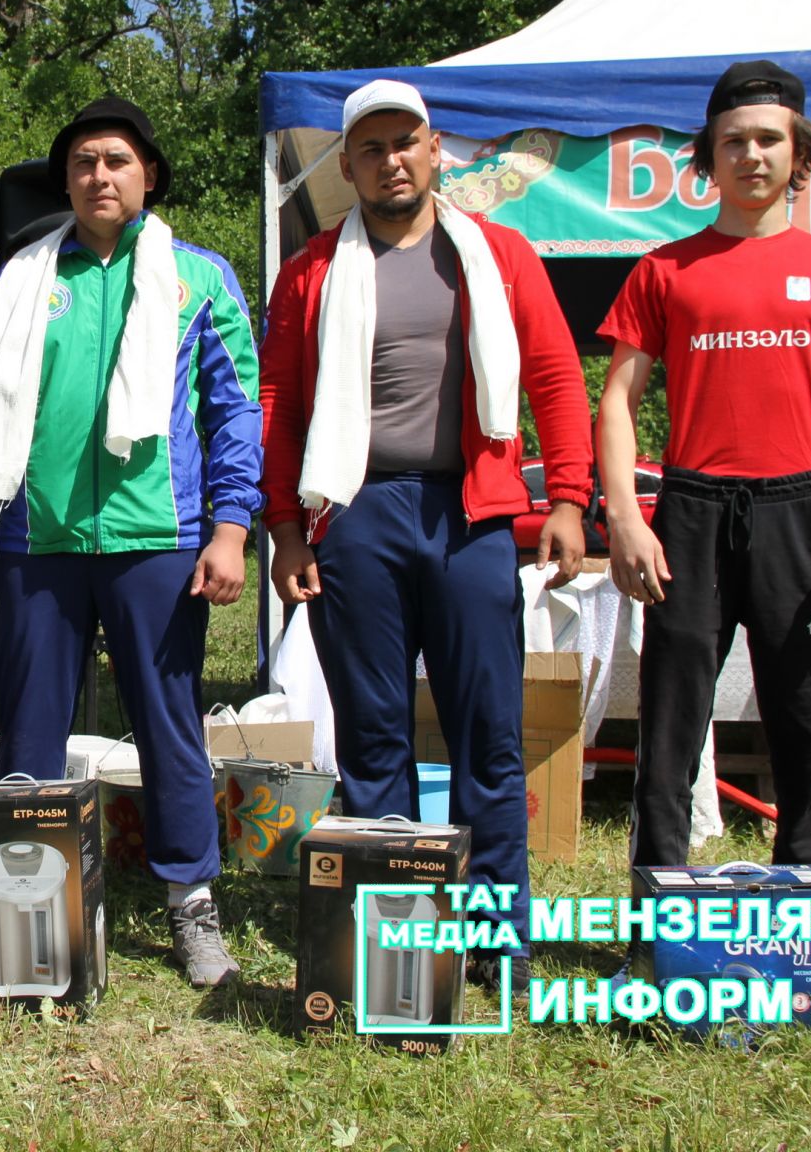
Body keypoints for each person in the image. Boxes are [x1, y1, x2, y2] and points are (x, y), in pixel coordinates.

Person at [258, 80, 593, 994]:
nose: (390, 160)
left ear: (437, 149)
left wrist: (567, 499)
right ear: (351, 166)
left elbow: (559, 380)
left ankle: (497, 942)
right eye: (370, 149)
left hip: (471, 515)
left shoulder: (500, 255)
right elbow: (281, 403)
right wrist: (284, 526)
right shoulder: (314, 270)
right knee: (374, 738)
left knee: (487, 737)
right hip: (355, 516)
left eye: (406, 142)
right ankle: (401, 939)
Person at [0, 96, 262, 988]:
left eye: (116, 160)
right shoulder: (22, 277)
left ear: (148, 174)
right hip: (39, 539)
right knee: (31, 728)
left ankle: (191, 904)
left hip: (161, 536)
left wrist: (231, 529)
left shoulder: (199, 277)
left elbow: (236, 415)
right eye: (83, 162)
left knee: (168, 727)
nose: (99, 176)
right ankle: (29, 908)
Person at [599, 60, 811, 870]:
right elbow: (618, 401)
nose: (753, 155)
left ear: (799, 151)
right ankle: (654, 930)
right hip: (692, 515)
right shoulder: (665, 269)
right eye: (734, 141)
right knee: (670, 724)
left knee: (803, 724)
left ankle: (807, 921)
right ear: (709, 156)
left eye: (770, 139)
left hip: (800, 514)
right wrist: (626, 517)